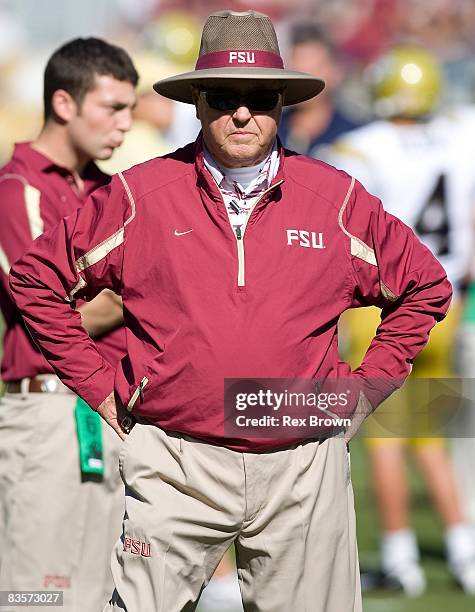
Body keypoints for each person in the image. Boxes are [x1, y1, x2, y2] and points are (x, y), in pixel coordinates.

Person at [9, 11, 452, 612]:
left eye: (258, 97)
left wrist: (364, 389)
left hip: (303, 465)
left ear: (282, 102)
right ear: (197, 102)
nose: (241, 113)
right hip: (173, 461)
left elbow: (425, 285)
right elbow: (37, 280)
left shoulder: (336, 198)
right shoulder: (141, 195)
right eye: (224, 97)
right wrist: (95, 385)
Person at [326, 45, 475, 595]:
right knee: (427, 437)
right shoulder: (463, 137)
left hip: (384, 309)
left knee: (386, 441)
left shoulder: (362, 149)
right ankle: (463, 552)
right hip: (446, 303)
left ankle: (400, 558)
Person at [0, 38, 137, 611]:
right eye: (112, 108)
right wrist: (144, 290)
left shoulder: (112, 192)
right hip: (48, 411)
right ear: (63, 103)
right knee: (37, 594)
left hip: (116, 411)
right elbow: (51, 314)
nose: (125, 125)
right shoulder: (17, 189)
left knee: (107, 595)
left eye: (131, 109)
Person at [278, 22, 362, 159]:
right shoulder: (272, 129)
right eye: (298, 72)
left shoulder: (353, 136)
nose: (304, 83)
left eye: (314, 71)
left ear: (336, 72)